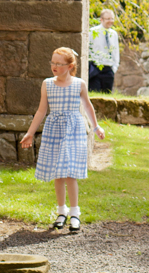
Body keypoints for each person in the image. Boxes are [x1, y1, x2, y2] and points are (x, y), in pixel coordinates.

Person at [19, 47, 106, 232]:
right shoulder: (47, 84)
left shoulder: (79, 84)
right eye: (53, 62)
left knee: (70, 172)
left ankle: (75, 213)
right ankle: (61, 211)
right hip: (54, 130)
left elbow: (88, 107)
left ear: (70, 66)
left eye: (59, 63)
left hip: (74, 130)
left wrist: (96, 127)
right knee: (58, 172)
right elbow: (42, 110)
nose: (54, 66)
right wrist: (30, 132)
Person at [88, 8, 120, 94]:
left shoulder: (113, 34)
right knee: (95, 94)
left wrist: (114, 67)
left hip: (108, 68)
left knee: (107, 95)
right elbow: (88, 49)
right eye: (108, 19)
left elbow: (116, 51)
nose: (110, 21)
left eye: (112, 18)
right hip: (95, 68)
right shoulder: (92, 32)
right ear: (101, 20)